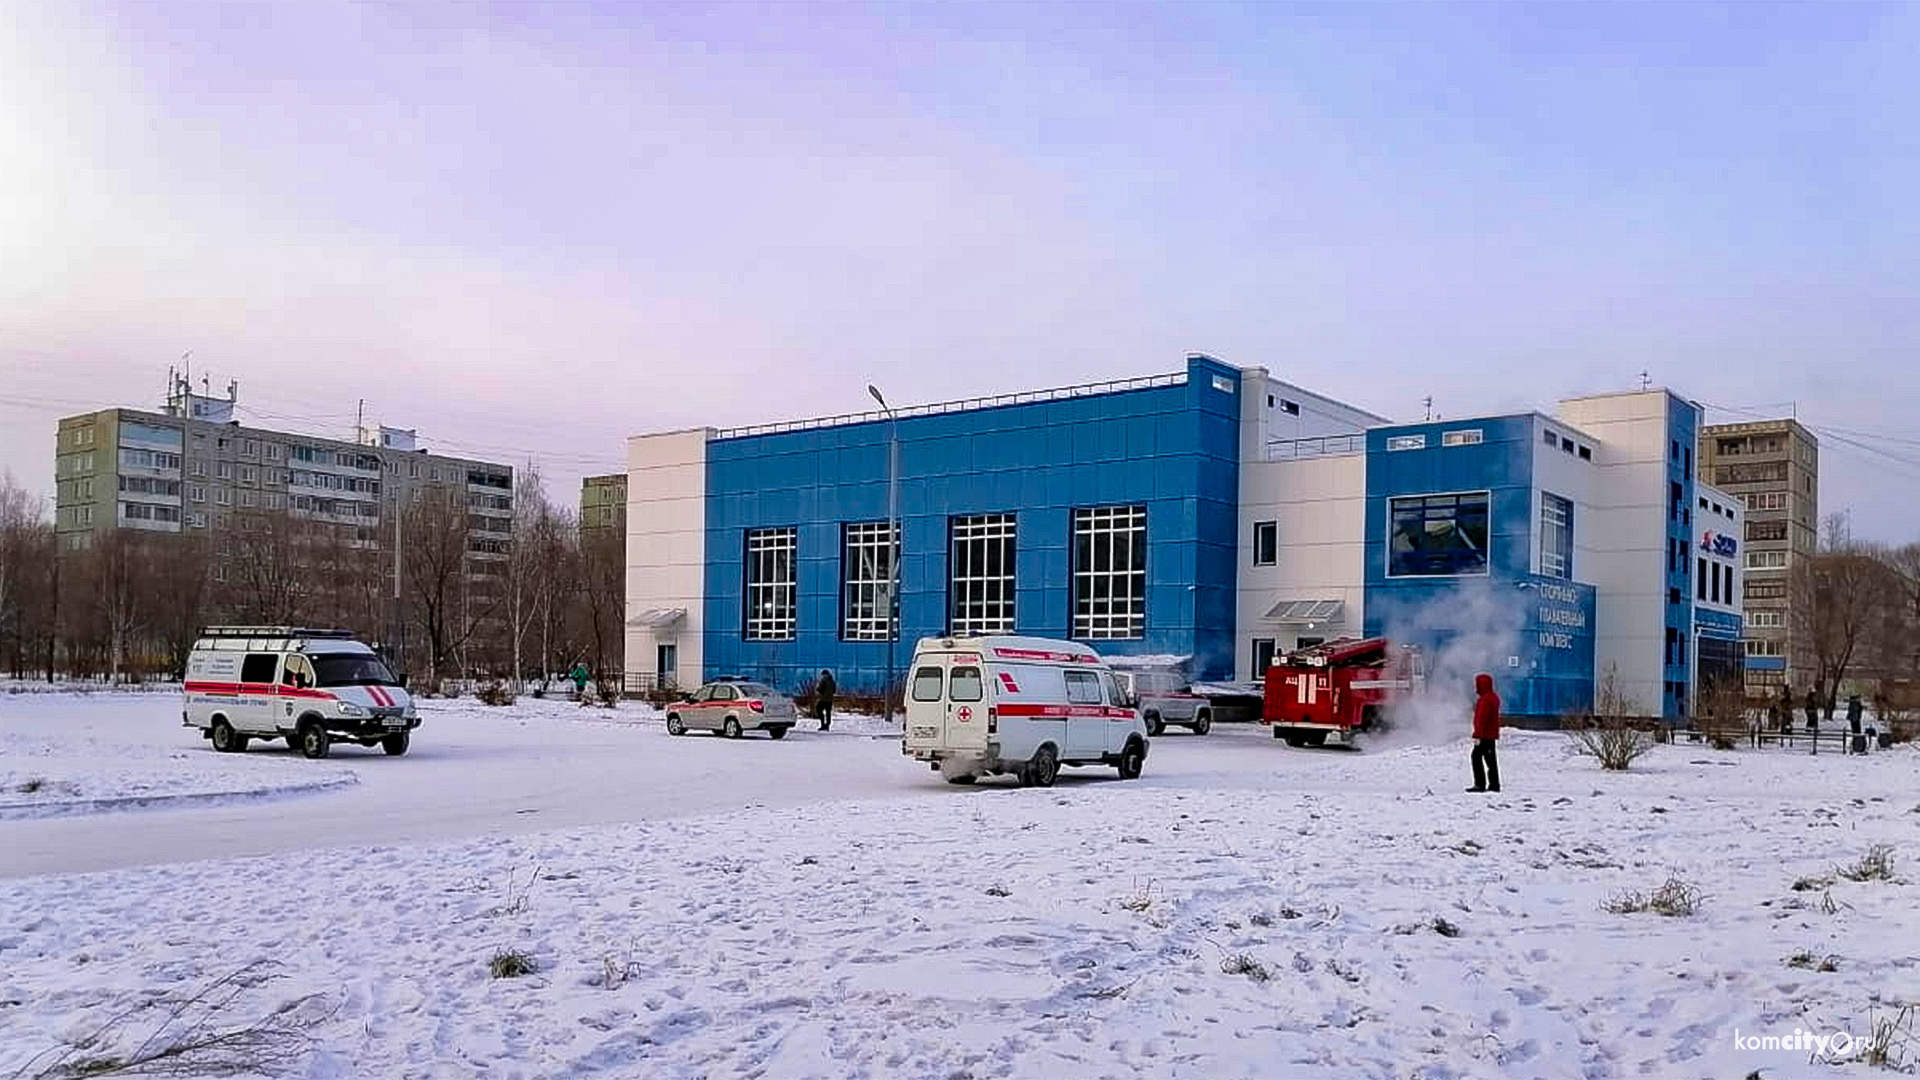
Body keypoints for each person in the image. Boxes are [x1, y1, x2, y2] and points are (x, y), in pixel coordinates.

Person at [1468, 673, 1501, 793]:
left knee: (1476, 757)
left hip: (1484, 735)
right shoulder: (1492, 697)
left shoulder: (1485, 700)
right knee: (1491, 760)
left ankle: (1480, 784)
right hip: (1490, 735)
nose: (1476, 687)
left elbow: (1482, 719)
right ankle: (1494, 784)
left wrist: (1478, 735)